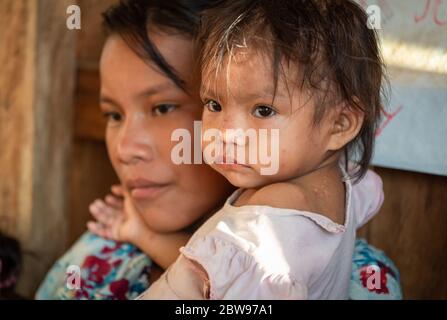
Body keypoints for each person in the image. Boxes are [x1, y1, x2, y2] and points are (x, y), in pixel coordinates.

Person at [36, 0, 401, 300]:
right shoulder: (97, 257)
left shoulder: (361, 280)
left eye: (163, 107)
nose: (126, 149)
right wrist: (146, 236)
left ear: (340, 125)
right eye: (113, 114)